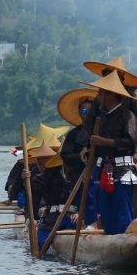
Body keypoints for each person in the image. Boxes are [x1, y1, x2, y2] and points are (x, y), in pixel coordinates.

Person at [75, 70, 137, 235]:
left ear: (111, 94)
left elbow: (130, 142)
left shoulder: (128, 114)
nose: (98, 96)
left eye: (101, 92)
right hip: (104, 168)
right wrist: (86, 147)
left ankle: (125, 239)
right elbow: (88, 128)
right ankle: (108, 237)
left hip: (122, 169)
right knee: (106, 210)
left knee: (122, 210)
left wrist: (104, 142)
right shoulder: (100, 116)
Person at [57, 87, 100, 226]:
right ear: (79, 113)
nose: (86, 114)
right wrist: (78, 158)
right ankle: (81, 220)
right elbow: (65, 154)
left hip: (100, 171)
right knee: (82, 196)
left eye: (89, 110)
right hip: (79, 174)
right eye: (83, 111)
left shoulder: (102, 130)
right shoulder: (73, 134)